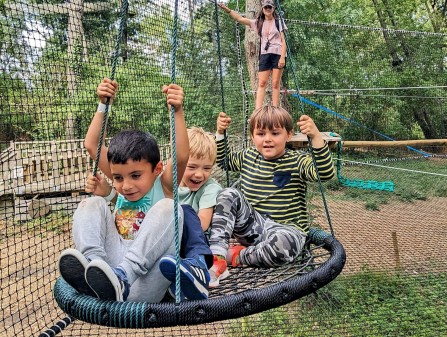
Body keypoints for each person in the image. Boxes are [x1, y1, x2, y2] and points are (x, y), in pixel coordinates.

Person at [58, 78, 209, 302]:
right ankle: (93, 267)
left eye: (136, 176)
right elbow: (92, 145)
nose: (126, 185)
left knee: (171, 207)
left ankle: (121, 278)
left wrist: (177, 110)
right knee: (92, 203)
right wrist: (103, 105)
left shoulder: (163, 184)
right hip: (109, 277)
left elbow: (181, 156)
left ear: (157, 169)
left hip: (142, 281)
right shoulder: (122, 182)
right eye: (118, 177)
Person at [208, 105, 335, 286]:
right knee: (228, 193)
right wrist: (220, 132)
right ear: (252, 136)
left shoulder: (297, 160)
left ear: (288, 135)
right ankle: (217, 255)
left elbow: (324, 173)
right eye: (261, 134)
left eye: (275, 133)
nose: (267, 139)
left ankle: (237, 256)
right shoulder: (248, 156)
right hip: (253, 228)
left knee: (284, 245)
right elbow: (224, 161)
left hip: (285, 231)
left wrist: (315, 136)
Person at [158, 127, 223, 293]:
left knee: (184, 210)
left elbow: (202, 224)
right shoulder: (167, 184)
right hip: (169, 244)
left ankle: (198, 265)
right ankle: (174, 284)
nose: (199, 174)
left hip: (195, 246)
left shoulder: (210, 188)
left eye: (207, 168)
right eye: (192, 167)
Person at [218, 0, 287, 109]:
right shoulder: (258, 22)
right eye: (266, 7)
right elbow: (239, 19)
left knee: (275, 83)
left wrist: (282, 57)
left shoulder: (279, 22)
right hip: (265, 55)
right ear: (263, 9)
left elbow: (284, 41)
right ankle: (257, 109)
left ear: (273, 9)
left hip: (278, 54)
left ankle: (275, 109)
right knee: (262, 83)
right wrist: (227, 10)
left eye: (270, 7)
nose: (268, 9)